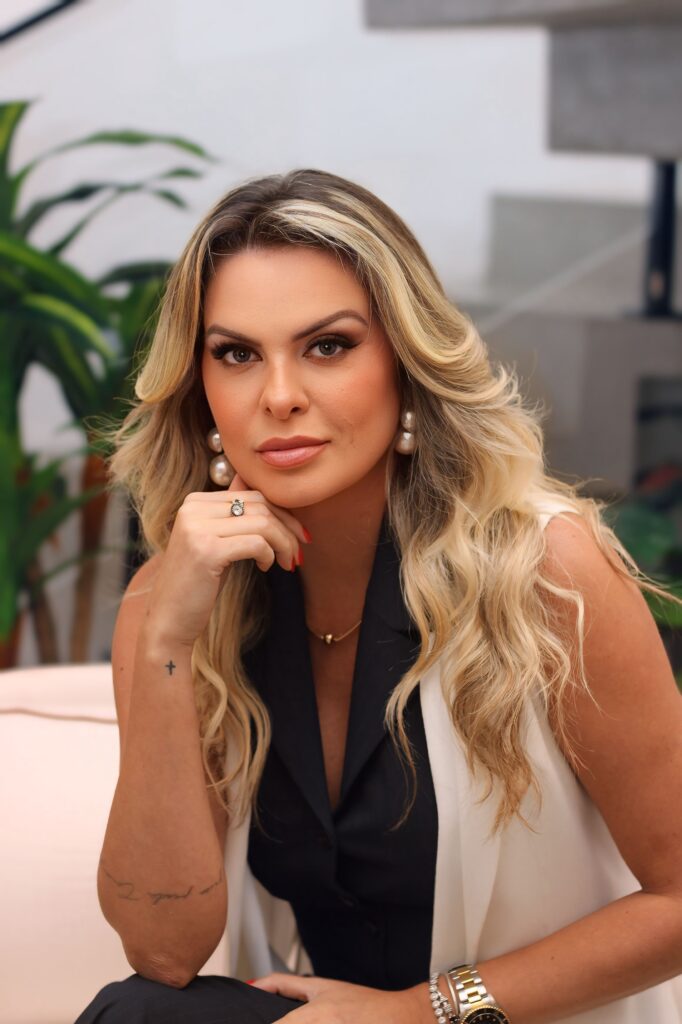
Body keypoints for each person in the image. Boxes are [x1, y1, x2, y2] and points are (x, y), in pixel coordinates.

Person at [75, 169, 682, 1024]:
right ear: (200, 387)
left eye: (328, 346)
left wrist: (416, 1012)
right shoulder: (174, 602)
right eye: (237, 354)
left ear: (404, 361)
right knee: (141, 1010)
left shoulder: (545, 570)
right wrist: (166, 642)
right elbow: (163, 952)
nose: (280, 396)